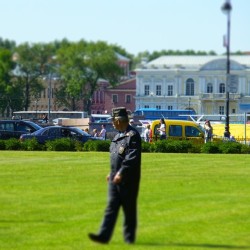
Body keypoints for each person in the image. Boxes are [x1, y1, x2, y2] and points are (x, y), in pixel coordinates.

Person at [88, 107, 141, 244]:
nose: (111, 123)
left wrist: (121, 173)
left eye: (113, 120)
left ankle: (129, 239)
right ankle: (103, 235)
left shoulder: (132, 135)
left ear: (119, 121)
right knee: (111, 207)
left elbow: (131, 158)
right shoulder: (117, 136)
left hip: (127, 180)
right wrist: (111, 173)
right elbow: (116, 157)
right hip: (114, 178)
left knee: (129, 210)